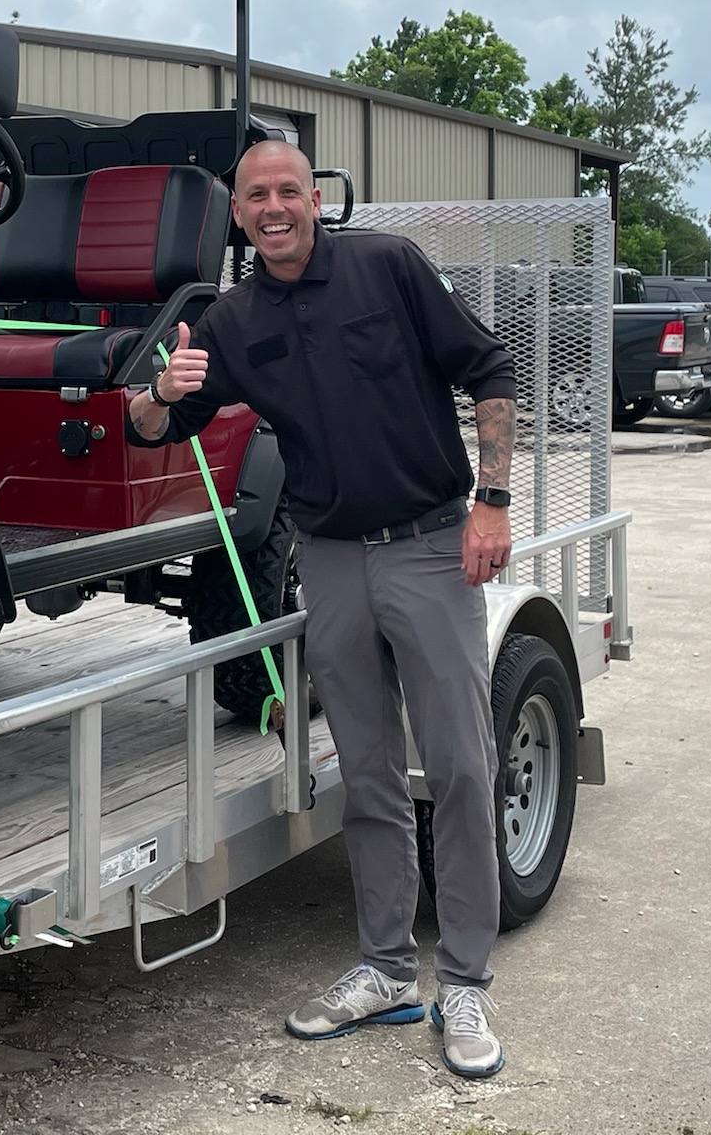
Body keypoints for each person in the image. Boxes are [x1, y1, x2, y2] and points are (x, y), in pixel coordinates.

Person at [125, 138, 517, 1080]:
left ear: (315, 197)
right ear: (237, 213)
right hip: (329, 559)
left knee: (460, 764)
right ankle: (387, 968)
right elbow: (152, 426)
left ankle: (464, 981)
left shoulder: (387, 265)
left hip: (429, 546)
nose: (273, 207)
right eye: (255, 195)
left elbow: (491, 370)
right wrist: (156, 392)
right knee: (367, 772)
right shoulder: (229, 318)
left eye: (287, 190)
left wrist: (492, 503)